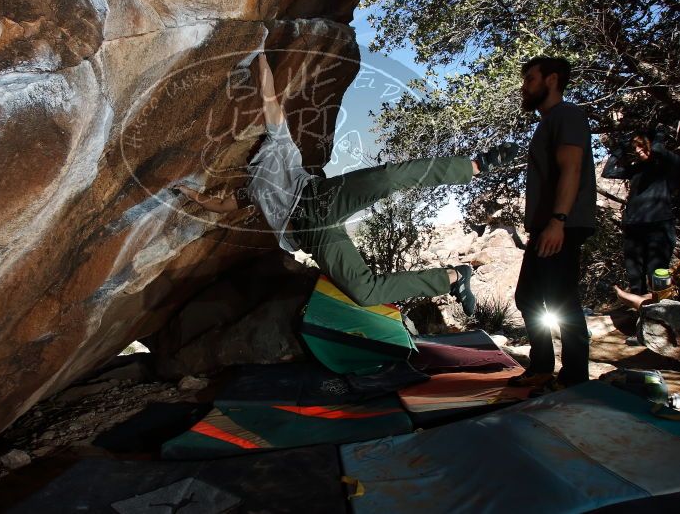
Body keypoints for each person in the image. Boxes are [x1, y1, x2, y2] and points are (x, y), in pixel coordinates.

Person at [178, 53, 515, 312]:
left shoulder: (278, 141)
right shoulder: (250, 188)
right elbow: (221, 205)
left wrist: (261, 54)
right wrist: (192, 195)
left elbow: (270, 100)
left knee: (388, 177)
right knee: (365, 292)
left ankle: (474, 165)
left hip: (319, 198)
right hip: (312, 235)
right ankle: (454, 278)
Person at [508, 57, 597, 391]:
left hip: (562, 225)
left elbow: (571, 168)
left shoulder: (567, 115)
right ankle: (543, 367)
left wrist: (558, 221)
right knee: (528, 296)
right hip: (547, 225)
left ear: (551, 80)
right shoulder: (548, 122)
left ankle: (574, 378)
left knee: (561, 299)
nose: (524, 86)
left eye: (530, 79)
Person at [602, 130, 679, 295]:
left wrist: (658, 135)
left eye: (640, 145)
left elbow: (658, 150)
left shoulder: (667, 164)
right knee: (634, 275)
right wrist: (620, 148)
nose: (637, 150)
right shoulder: (636, 169)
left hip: (659, 226)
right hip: (633, 226)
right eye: (634, 147)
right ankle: (638, 313)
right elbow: (608, 172)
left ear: (651, 143)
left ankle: (662, 311)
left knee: (657, 273)